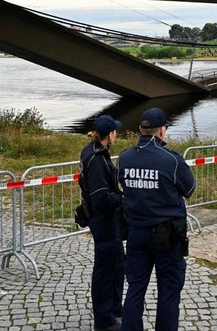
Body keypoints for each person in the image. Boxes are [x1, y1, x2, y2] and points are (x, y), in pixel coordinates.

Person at [117, 107, 196, 331]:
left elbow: (123, 184)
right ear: (162, 131)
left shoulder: (125, 157)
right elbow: (189, 188)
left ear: (141, 129)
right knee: (169, 290)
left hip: (136, 232)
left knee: (135, 287)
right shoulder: (171, 159)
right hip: (167, 233)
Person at [79, 115, 126, 331]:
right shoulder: (96, 159)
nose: (117, 133)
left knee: (117, 264)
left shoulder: (94, 150)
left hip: (108, 221)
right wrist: (122, 198)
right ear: (110, 135)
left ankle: (115, 307)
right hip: (103, 220)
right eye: (115, 131)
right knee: (105, 270)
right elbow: (100, 198)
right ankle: (104, 320)